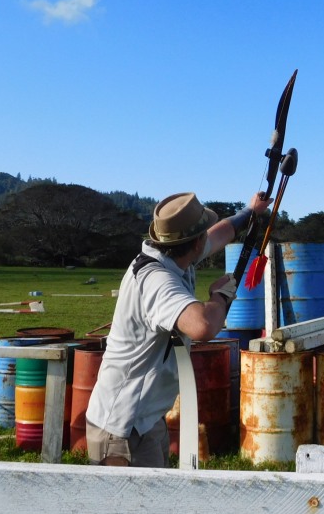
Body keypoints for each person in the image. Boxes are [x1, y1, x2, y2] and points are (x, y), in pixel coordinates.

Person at [85, 190, 269, 469]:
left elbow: (219, 234)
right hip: (121, 427)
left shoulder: (174, 256)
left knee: (161, 503)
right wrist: (219, 296)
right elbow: (203, 326)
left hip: (146, 418)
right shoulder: (157, 279)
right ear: (195, 243)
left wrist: (250, 212)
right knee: (135, 512)